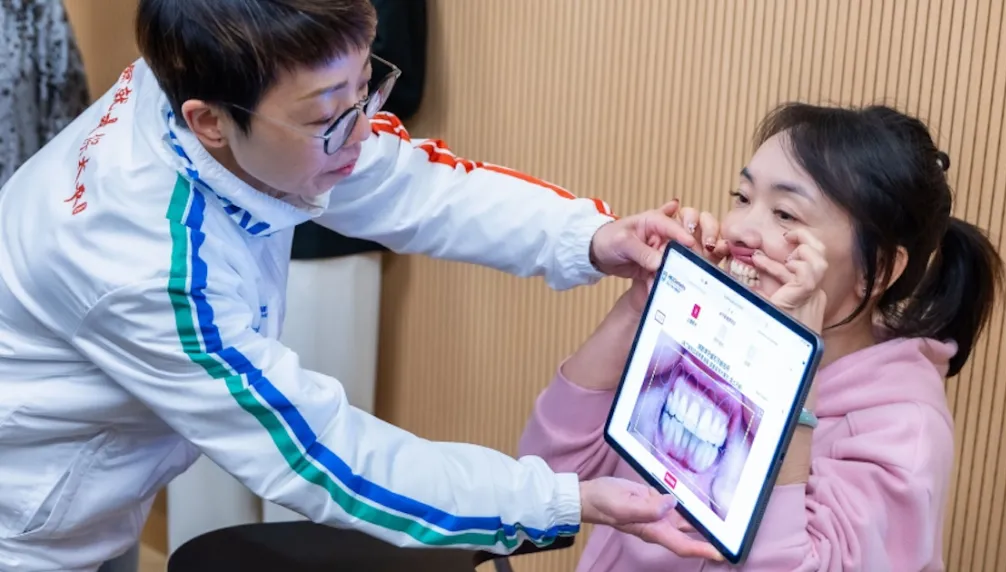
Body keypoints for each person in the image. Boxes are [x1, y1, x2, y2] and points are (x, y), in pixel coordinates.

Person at [0, 1, 717, 570]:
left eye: (364, 87)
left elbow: (417, 187)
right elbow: (326, 459)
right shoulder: (145, 265)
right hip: (24, 517)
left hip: (95, 485)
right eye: (328, 117)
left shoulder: (215, 76)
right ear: (210, 123)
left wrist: (592, 238)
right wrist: (558, 499)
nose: (359, 132)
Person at [520, 102, 1006, 571]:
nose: (739, 230)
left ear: (879, 269)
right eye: (744, 198)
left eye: (786, 215)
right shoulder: (713, 329)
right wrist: (639, 302)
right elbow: (549, 472)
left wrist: (790, 367)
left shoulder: (905, 432)